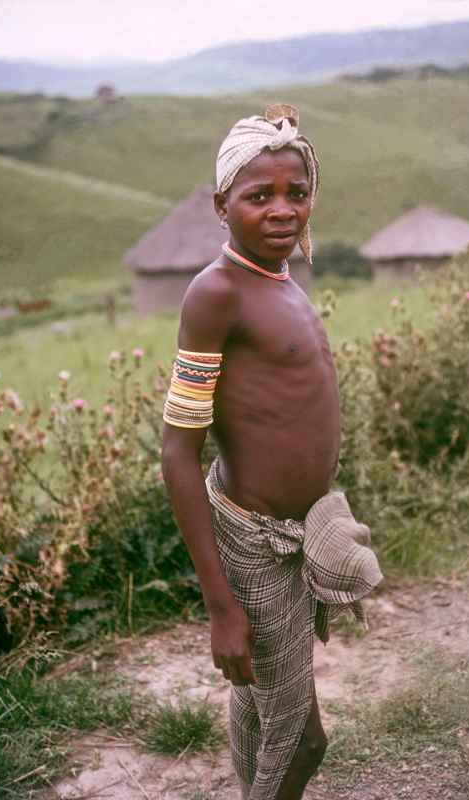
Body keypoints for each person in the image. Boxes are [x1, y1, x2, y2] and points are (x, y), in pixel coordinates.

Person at [161, 104, 382, 800]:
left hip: (296, 524)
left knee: (260, 709)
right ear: (221, 206)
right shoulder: (216, 293)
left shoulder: (280, 278)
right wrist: (220, 606)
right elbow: (177, 452)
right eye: (259, 196)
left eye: (297, 192)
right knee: (302, 739)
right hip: (255, 541)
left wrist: (282, 124)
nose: (283, 210)